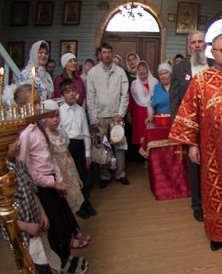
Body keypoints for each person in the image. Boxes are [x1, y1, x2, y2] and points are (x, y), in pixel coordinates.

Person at [170, 33, 222, 250]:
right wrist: (192, 145)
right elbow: (188, 112)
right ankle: (219, 235)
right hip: (213, 151)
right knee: (216, 192)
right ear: (213, 52)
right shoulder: (201, 80)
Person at [14, 85, 88, 274]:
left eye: (39, 101)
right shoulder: (25, 135)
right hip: (43, 189)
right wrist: (52, 183)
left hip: (53, 183)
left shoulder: (38, 128)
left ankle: (68, 258)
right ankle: (62, 264)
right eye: (35, 103)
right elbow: (27, 170)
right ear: (22, 108)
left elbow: (50, 156)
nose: (40, 106)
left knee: (65, 224)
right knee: (56, 229)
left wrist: (59, 179)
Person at [1, 133, 78, 274]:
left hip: (36, 225)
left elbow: (32, 191)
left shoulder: (19, 165)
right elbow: (1, 214)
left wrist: (42, 213)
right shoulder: (1, 174)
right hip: (22, 233)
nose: (19, 143)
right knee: (36, 271)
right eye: (13, 141)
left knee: (45, 263)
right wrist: (26, 227)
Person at [169, 30, 213, 222]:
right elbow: (174, 101)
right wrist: (179, 128)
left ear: (205, 45)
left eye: (200, 42)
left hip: (213, 127)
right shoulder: (180, 69)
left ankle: (212, 202)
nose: (196, 45)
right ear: (189, 47)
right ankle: (197, 205)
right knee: (194, 167)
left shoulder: (214, 65)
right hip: (191, 127)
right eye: (193, 42)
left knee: (213, 166)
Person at [86, 43, 131, 187]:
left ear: (112, 53)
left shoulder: (120, 72)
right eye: (104, 52)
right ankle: (105, 176)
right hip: (100, 117)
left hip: (116, 116)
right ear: (100, 54)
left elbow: (125, 95)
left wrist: (121, 114)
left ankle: (120, 174)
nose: (107, 55)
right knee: (102, 147)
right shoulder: (92, 72)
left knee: (119, 146)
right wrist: (94, 119)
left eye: (109, 52)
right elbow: (90, 97)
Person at [58, 78, 95, 219]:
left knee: (83, 174)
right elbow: (60, 132)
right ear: (62, 95)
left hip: (80, 144)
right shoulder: (60, 111)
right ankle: (78, 205)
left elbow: (85, 132)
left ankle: (86, 201)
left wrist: (87, 153)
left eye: (73, 90)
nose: (72, 94)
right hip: (68, 146)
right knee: (73, 176)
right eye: (68, 92)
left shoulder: (80, 110)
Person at [129, 60, 157, 146]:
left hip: (152, 112)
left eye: (144, 69)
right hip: (139, 113)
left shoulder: (155, 81)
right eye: (139, 69)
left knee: (152, 137)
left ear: (147, 70)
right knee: (140, 137)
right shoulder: (134, 84)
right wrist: (129, 113)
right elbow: (131, 99)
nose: (142, 71)